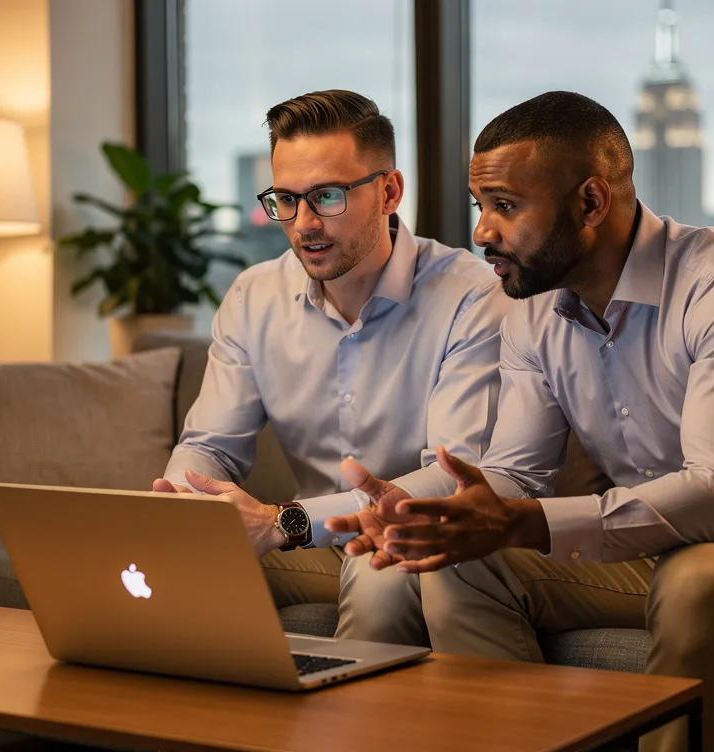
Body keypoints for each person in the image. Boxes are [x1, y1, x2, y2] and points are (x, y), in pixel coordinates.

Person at [325, 91, 714, 752]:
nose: (481, 232)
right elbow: (513, 474)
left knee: (699, 575)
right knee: (459, 559)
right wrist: (425, 510)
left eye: (505, 207)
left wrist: (529, 522)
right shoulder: (532, 311)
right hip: (651, 554)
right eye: (482, 208)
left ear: (591, 203)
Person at [155, 89, 507, 648]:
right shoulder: (253, 297)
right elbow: (213, 446)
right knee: (150, 570)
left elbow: (450, 476)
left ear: (389, 191)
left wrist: (284, 521)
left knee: (379, 577)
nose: (304, 224)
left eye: (327, 196)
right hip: (306, 543)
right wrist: (180, 503)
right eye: (286, 200)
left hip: (414, 534)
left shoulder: (470, 298)